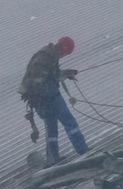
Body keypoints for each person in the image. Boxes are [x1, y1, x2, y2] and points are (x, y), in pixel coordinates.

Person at [19, 36, 88, 165]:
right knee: (69, 122)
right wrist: (45, 96)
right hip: (48, 97)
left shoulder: (49, 55)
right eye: (67, 53)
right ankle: (83, 150)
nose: (65, 55)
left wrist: (67, 73)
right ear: (64, 48)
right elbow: (39, 80)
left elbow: (51, 75)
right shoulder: (45, 58)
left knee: (51, 129)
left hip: (42, 100)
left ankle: (53, 158)